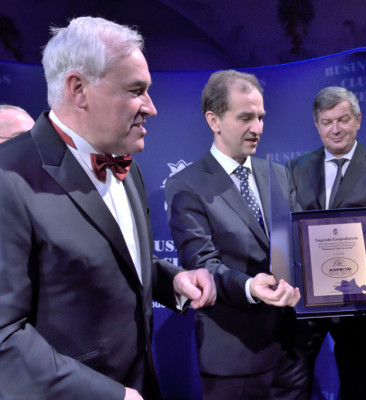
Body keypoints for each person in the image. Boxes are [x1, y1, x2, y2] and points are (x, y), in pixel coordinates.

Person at [0, 17, 216, 400]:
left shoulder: (128, 168)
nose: (151, 108)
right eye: (136, 90)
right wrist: (110, 395)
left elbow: (108, 257)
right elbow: (5, 339)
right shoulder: (8, 177)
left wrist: (170, 281)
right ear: (78, 90)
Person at [165, 69, 308, 399]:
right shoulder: (186, 185)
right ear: (214, 120)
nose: (257, 128)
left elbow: (300, 242)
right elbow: (202, 266)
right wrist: (251, 287)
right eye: (245, 117)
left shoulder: (278, 174)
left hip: (292, 350)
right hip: (235, 356)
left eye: (260, 117)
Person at [286, 86, 366, 400]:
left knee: (358, 382)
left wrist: (358, 243)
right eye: (327, 122)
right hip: (308, 293)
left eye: (343, 120)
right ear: (317, 125)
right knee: (294, 380)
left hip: (358, 292)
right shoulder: (296, 167)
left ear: (358, 120)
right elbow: (288, 223)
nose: (335, 129)